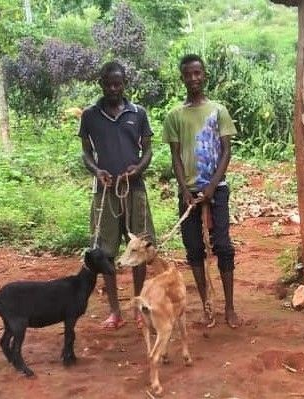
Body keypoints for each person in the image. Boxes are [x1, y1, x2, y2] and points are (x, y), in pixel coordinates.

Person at [162, 54, 240, 327]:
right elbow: (175, 158)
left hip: (216, 189)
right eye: (188, 74)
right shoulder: (174, 115)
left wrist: (211, 187)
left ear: (204, 75)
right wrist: (185, 190)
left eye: (198, 73)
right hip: (189, 193)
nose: (194, 78)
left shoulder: (218, 111)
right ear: (182, 78)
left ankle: (229, 306)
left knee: (223, 246)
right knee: (194, 248)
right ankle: (207, 305)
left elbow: (226, 151)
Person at [79, 61, 156, 329]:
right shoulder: (89, 115)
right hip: (105, 192)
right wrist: (97, 170)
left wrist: (139, 167)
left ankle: (137, 305)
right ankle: (114, 311)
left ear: (125, 83)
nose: (113, 88)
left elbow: (147, 150)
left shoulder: (139, 113)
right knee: (104, 252)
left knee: (140, 249)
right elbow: (86, 152)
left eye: (118, 83)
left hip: (134, 190)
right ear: (101, 83)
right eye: (108, 83)